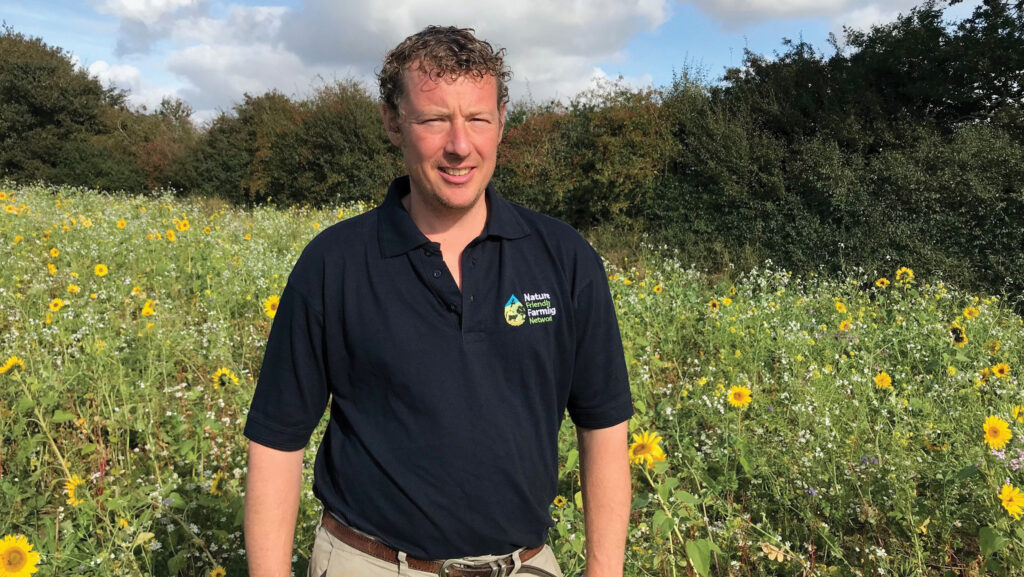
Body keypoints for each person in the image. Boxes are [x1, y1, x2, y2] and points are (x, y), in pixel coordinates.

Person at [242, 25, 633, 577]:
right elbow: (277, 444)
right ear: (392, 121)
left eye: (477, 119)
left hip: (525, 565)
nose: (459, 145)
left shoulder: (565, 258)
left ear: (502, 121)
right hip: (369, 563)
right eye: (433, 120)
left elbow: (604, 428)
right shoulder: (333, 263)